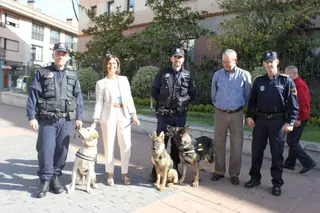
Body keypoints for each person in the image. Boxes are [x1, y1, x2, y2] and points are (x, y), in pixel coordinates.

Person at [26, 42, 84, 198]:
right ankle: (45, 180)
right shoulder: (43, 73)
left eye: (63, 53)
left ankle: (55, 178)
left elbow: (78, 97)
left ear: (67, 56)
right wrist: (32, 116)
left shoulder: (72, 75)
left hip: (65, 121)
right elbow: (33, 95)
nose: (60, 56)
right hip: (47, 120)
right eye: (58, 53)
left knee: (62, 150)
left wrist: (79, 117)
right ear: (53, 54)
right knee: (45, 150)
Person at [245, 51, 299, 196]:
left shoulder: (286, 81)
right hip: (261, 121)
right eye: (266, 62)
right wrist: (250, 116)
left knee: (277, 154)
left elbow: (293, 105)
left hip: (278, 122)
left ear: (277, 62)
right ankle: (255, 178)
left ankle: (277, 183)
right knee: (256, 151)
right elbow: (252, 102)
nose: (269, 64)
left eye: (271, 61)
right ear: (264, 64)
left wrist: (291, 122)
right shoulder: (259, 81)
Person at [91, 54, 140, 186]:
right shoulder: (101, 83)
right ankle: (110, 174)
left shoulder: (123, 80)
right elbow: (99, 103)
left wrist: (134, 114)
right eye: (109, 63)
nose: (111, 65)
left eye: (114, 63)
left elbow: (129, 98)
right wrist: (95, 120)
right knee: (109, 146)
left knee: (125, 145)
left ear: (117, 65)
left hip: (123, 115)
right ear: (105, 66)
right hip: (108, 117)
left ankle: (125, 173)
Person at [149, 48, 197, 181]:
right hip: (164, 116)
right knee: (160, 142)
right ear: (171, 59)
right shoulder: (163, 73)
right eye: (175, 57)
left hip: (179, 116)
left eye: (180, 57)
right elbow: (154, 90)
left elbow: (193, 94)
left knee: (177, 144)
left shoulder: (187, 75)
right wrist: (161, 104)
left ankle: (174, 169)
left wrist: (183, 102)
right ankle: (156, 171)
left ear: (183, 59)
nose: (177, 59)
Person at [210, 49, 252, 185]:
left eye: (227, 62)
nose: (225, 64)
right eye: (223, 62)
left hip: (237, 114)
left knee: (236, 145)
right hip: (220, 113)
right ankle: (219, 171)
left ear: (235, 60)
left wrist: (238, 106)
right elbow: (213, 94)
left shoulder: (244, 75)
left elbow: (248, 95)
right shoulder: (217, 75)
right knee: (219, 143)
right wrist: (219, 105)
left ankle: (234, 174)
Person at [284, 65, 316, 173]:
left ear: (294, 74)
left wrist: (298, 119)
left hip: (300, 117)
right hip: (298, 116)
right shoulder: (295, 83)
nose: (286, 77)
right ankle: (290, 163)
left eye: (287, 75)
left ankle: (308, 162)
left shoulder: (299, 85)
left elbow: (302, 104)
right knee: (293, 140)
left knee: (291, 140)